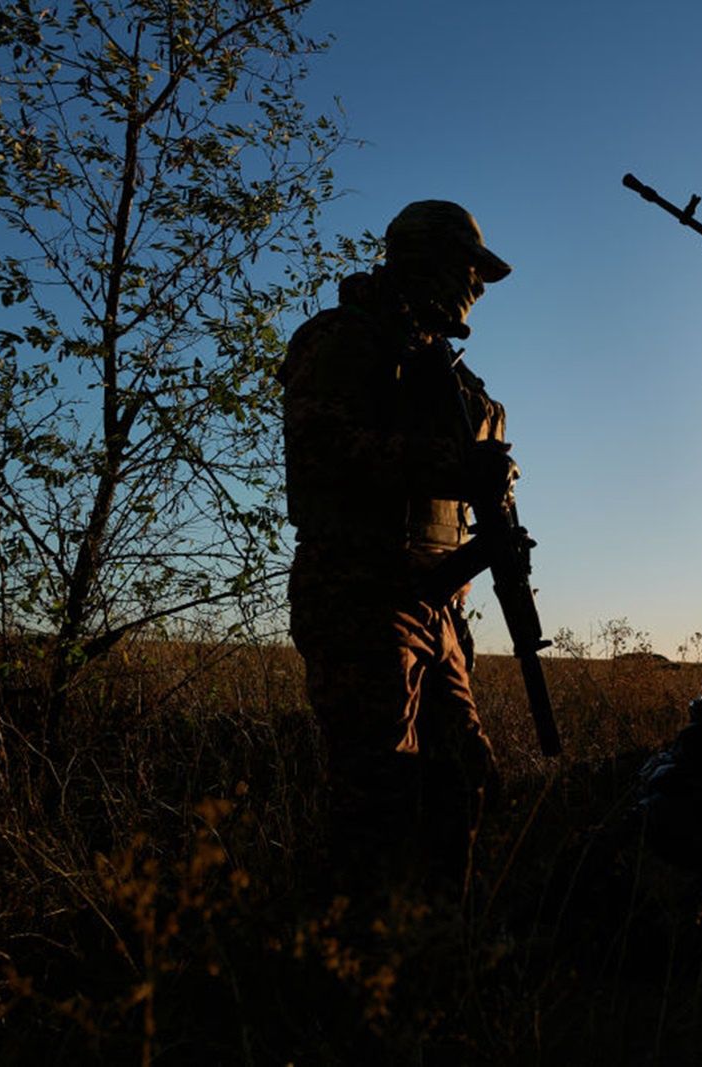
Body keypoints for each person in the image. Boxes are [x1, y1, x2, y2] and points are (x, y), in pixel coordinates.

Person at [278, 200, 519, 896]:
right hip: (361, 593)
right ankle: (353, 974)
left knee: (463, 776)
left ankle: (432, 955)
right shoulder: (344, 340)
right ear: (428, 263)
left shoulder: (450, 376)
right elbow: (322, 450)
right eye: (469, 269)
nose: (477, 285)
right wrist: (453, 466)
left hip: (435, 603)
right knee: (378, 797)